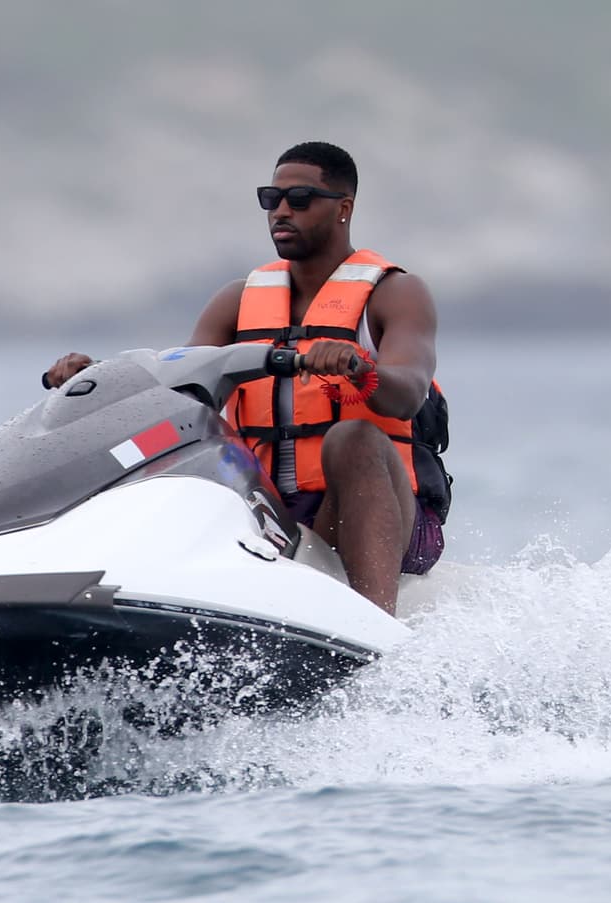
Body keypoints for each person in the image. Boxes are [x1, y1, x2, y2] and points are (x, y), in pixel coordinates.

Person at [46, 142, 450, 616]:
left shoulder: (395, 293)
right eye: (270, 199)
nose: (280, 211)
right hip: (273, 516)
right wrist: (98, 379)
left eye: (299, 199)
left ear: (344, 208)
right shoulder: (238, 301)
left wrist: (360, 367)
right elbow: (177, 394)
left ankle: (376, 628)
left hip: (391, 517)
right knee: (185, 449)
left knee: (353, 437)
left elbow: (407, 393)